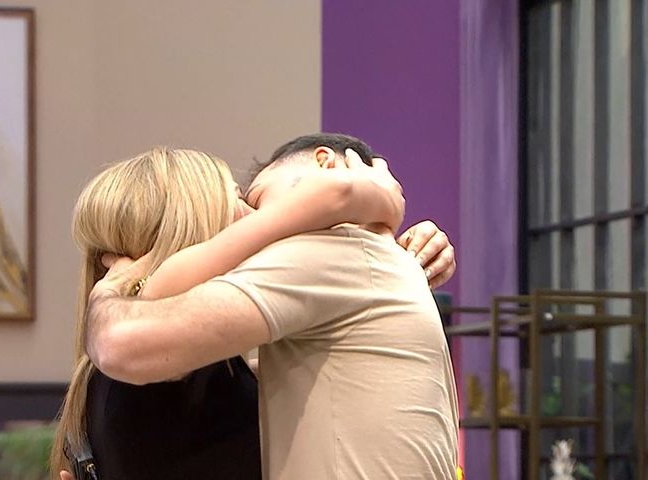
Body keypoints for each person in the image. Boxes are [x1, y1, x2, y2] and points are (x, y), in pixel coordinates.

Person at [52, 143, 450, 479]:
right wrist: (340, 203)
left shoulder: (145, 369)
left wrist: (390, 266)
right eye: (241, 199)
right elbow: (126, 335)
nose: (252, 213)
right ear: (194, 223)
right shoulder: (152, 351)